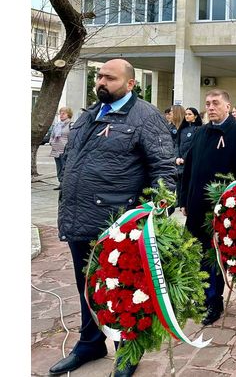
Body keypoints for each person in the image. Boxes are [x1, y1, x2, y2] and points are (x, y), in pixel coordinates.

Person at [51, 59, 175, 377]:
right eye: (99, 76)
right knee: (86, 287)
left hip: (118, 224)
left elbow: (164, 168)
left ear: (130, 84)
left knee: (121, 290)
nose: (101, 81)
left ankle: (126, 351)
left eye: (109, 77)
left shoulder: (145, 116)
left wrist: (153, 214)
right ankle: (90, 343)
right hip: (80, 218)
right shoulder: (90, 114)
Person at [179, 89, 236, 326]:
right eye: (208, 103)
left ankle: (214, 300)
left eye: (216, 103)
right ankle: (201, 296)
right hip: (195, 206)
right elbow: (190, 169)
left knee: (213, 257)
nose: (211, 107)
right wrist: (183, 200)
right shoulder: (202, 132)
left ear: (227, 106)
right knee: (196, 254)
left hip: (221, 209)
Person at [174, 107, 203, 200]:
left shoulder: (199, 129)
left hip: (190, 161)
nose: (187, 116)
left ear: (195, 116)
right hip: (179, 162)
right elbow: (177, 144)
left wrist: (185, 158)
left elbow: (194, 146)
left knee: (188, 183)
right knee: (179, 183)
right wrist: (177, 157)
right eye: (186, 114)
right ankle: (179, 201)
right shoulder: (182, 129)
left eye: (189, 114)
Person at [50, 106, 73, 190]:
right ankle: (60, 183)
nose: (61, 115)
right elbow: (52, 135)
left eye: (64, 113)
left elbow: (73, 138)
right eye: (60, 113)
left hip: (65, 151)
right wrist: (51, 142)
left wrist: (68, 147)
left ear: (69, 114)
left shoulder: (71, 125)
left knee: (65, 168)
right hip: (56, 150)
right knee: (59, 168)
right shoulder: (57, 125)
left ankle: (65, 185)